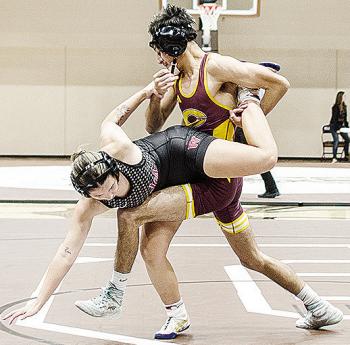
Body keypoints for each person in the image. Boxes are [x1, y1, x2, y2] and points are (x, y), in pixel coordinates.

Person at [73, 5, 342, 339]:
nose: (157, 58)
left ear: (172, 45)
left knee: (132, 217)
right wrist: (155, 97)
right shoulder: (179, 78)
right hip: (197, 173)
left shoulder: (215, 66)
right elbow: (155, 124)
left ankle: (134, 301)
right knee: (244, 257)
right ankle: (319, 306)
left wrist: (251, 121)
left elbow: (278, 83)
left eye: (159, 50)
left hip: (219, 179)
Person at [2, 80, 279, 326]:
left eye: (111, 188)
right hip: (168, 188)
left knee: (260, 159)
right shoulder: (88, 205)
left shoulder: (119, 148)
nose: (109, 197)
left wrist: (146, 93)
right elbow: (66, 251)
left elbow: (114, 118)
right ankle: (177, 315)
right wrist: (38, 300)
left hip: (181, 150)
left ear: (113, 168)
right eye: (101, 197)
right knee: (152, 253)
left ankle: (247, 95)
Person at [235, 126, 280, 198]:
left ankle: (272, 189)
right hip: (245, 130)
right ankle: (272, 188)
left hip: (243, 131)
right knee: (258, 163)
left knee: (258, 163)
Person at [330, 91, 349, 163]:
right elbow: (334, 119)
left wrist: (347, 127)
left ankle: (346, 155)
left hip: (341, 126)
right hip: (334, 126)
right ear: (340, 97)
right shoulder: (335, 107)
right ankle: (334, 157)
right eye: (344, 96)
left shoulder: (344, 107)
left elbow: (345, 119)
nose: (345, 98)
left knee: (347, 139)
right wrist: (337, 129)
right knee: (336, 140)